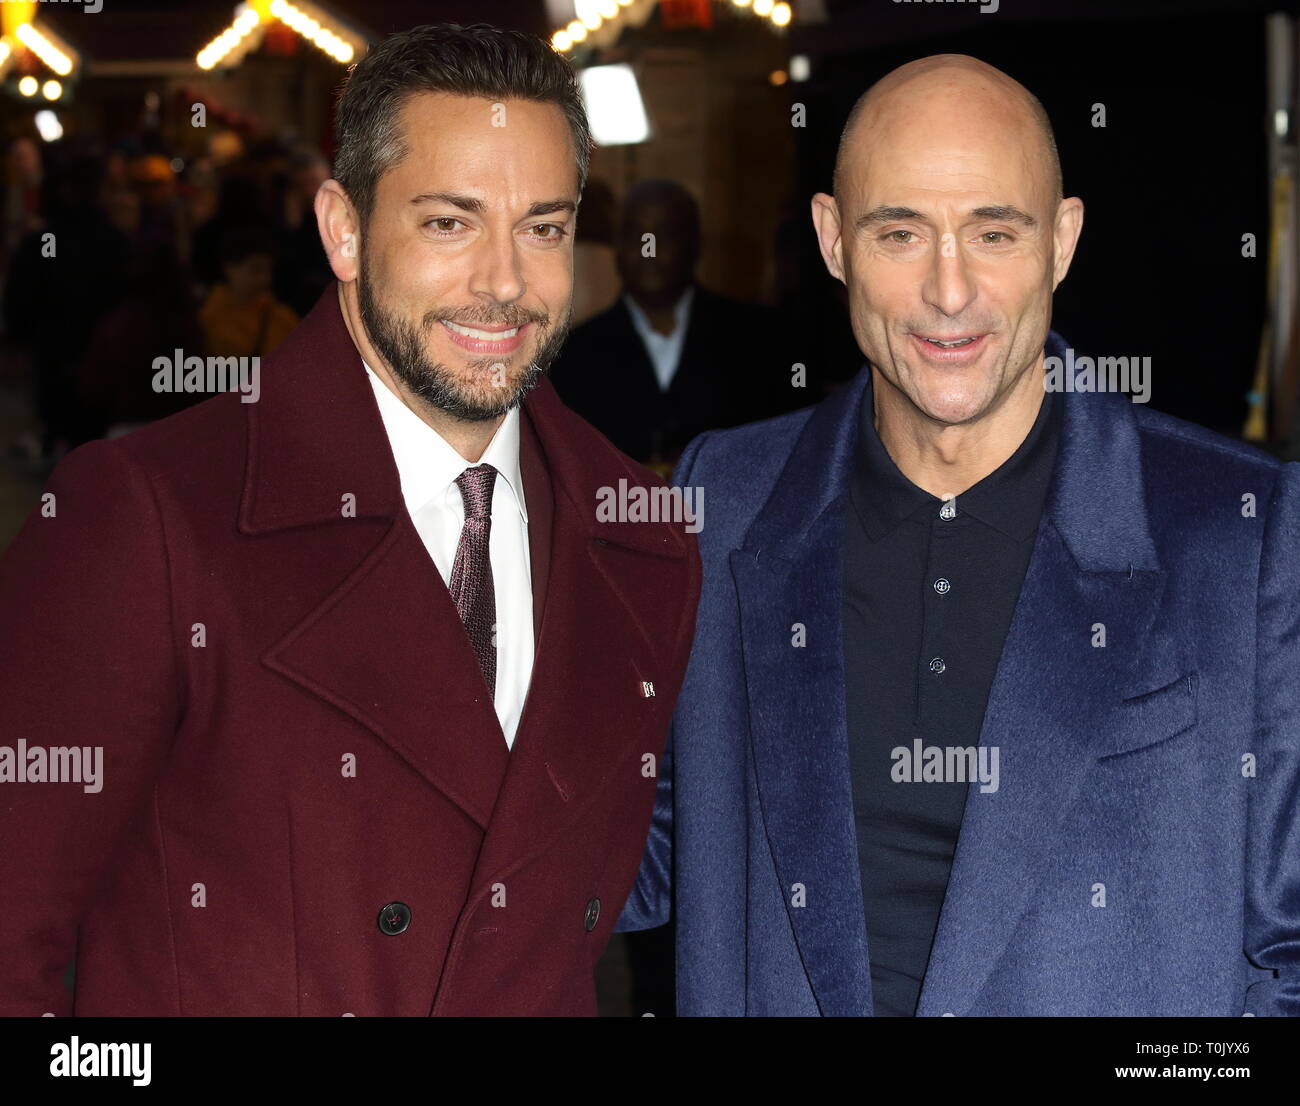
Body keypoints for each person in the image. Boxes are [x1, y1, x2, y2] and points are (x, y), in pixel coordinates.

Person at [0, 22, 699, 1017]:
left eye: (541, 226)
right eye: (449, 222)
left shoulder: (647, 540)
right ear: (341, 228)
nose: (504, 281)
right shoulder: (147, 515)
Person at [617, 54, 1300, 1017]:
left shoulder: (1244, 529)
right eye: (900, 232)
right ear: (832, 239)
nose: (949, 290)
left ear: (1061, 243)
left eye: (994, 232)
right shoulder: (723, 497)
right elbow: (629, 854)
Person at [551, 179, 799, 473]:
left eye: (665, 235)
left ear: (695, 245)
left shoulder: (759, 339)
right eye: (635, 236)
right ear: (617, 248)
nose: (648, 250)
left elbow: (782, 449)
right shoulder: (574, 354)